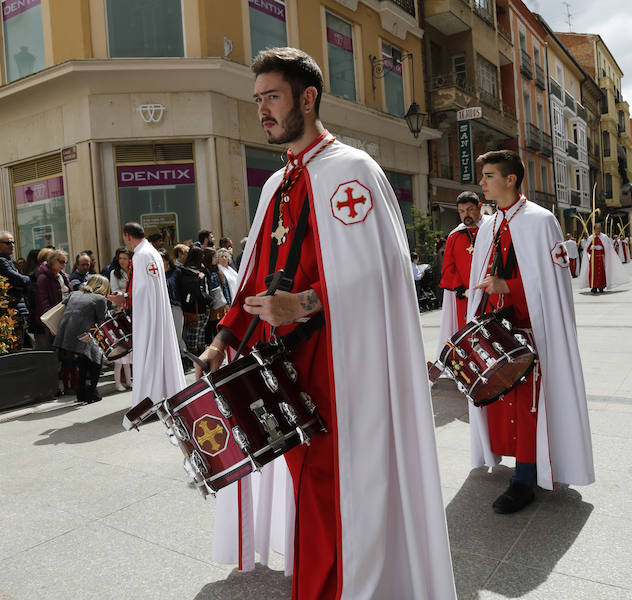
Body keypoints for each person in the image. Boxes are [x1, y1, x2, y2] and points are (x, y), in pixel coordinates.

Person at [199, 47, 455, 599]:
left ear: (307, 97)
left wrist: (306, 304)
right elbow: (253, 278)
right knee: (311, 490)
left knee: (338, 490)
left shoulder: (352, 172)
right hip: (283, 366)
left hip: (341, 366)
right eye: (257, 99)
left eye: (272, 97)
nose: (262, 110)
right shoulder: (276, 184)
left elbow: (383, 275)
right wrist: (223, 339)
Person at [466, 150, 594, 515]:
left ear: (511, 179)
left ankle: (525, 477)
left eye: (489, 175)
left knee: (528, 405)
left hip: (531, 328)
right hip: (498, 328)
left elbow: (553, 284)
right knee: (502, 400)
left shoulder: (541, 221)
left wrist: (507, 286)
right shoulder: (490, 224)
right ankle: (518, 462)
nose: (483, 182)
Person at [108, 222, 185, 411]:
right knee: (161, 352)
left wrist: (123, 297)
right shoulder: (153, 253)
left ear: (127, 236)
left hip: (148, 315)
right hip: (157, 311)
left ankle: (149, 398)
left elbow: (142, 289)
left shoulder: (141, 256)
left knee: (149, 354)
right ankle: (166, 392)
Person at [438, 191, 487, 348]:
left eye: (470, 209)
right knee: (466, 334)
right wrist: (458, 286)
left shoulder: (490, 230)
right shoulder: (454, 236)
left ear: (479, 207)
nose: (466, 214)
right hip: (464, 297)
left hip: (489, 294)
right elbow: (448, 267)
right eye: (461, 211)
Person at [55, 274, 109, 404]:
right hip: (86, 334)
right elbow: (102, 322)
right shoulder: (100, 298)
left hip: (67, 333)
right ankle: (91, 393)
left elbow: (62, 306)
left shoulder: (74, 294)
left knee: (83, 363)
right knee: (96, 361)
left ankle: (81, 393)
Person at [0, 230, 31, 346]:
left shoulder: (9, 260)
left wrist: (23, 282)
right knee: (16, 344)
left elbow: (22, 282)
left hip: (19, 306)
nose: (12, 245)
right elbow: (20, 280)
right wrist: (25, 280)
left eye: (13, 242)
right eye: (8, 243)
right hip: (12, 307)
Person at [179, 246, 211, 356]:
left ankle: (201, 356)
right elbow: (190, 289)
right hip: (194, 307)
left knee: (201, 334)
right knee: (193, 335)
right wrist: (198, 279)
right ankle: (193, 359)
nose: (203, 257)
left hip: (203, 306)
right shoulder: (185, 271)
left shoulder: (200, 269)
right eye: (201, 255)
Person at [579, 223, 628, 294]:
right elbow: (587, 250)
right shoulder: (590, 238)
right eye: (597, 229)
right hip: (593, 259)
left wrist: (602, 248)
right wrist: (591, 248)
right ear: (594, 229)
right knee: (593, 273)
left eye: (599, 229)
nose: (598, 230)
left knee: (601, 273)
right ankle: (594, 286)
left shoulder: (604, 237)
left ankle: (601, 286)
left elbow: (608, 249)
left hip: (602, 259)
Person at [109, 247, 133, 391]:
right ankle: (120, 379)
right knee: (122, 343)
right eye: (120, 258)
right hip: (121, 309)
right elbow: (114, 290)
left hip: (134, 307)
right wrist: (125, 296)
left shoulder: (134, 271)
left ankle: (129, 377)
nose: (122, 261)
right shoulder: (114, 273)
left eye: (125, 258)